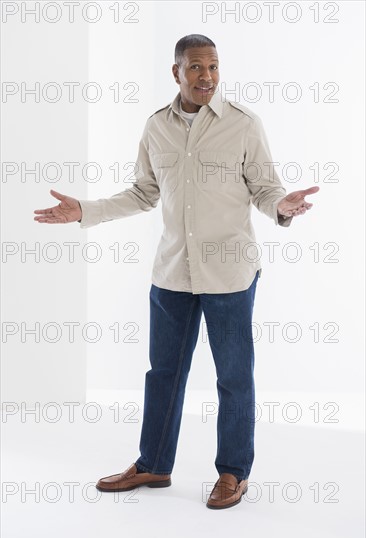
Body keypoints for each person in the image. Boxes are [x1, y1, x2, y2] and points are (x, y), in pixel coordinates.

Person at [34, 34, 319, 509]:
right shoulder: (155, 128)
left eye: (213, 67)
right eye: (196, 68)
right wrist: (85, 210)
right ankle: (153, 464)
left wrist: (282, 206)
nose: (206, 77)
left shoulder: (245, 125)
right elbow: (143, 193)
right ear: (176, 72)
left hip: (229, 272)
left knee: (233, 376)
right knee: (163, 372)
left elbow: (266, 189)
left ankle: (233, 472)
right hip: (171, 273)